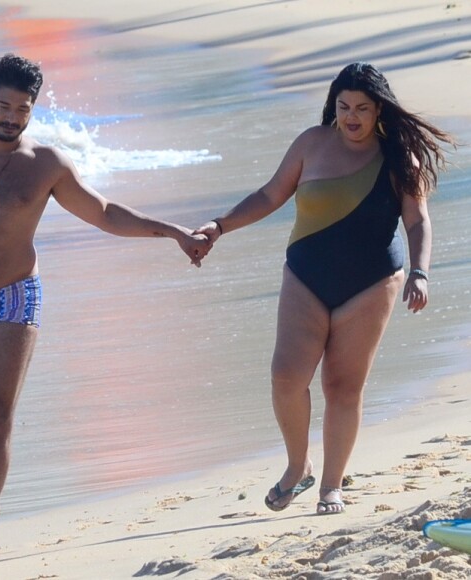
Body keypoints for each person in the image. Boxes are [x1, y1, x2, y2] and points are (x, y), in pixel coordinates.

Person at [0, 53, 211, 565]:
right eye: (3, 105)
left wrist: (171, 232)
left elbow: (105, 212)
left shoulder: (47, 165)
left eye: (23, 108)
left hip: (16, 296)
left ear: (33, 110)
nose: (12, 117)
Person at [195, 62, 455, 516]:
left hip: (372, 282)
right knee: (286, 376)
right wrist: (219, 226)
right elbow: (270, 195)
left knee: (342, 386)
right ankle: (299, 467)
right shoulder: (311, 144)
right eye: (343, 106)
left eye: (362, 108)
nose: (351, 116)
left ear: (380, 112)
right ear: (333, 106)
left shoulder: (398, 158)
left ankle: (331, 486)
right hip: (305, 275)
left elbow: (417, 220)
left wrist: (420, 271)